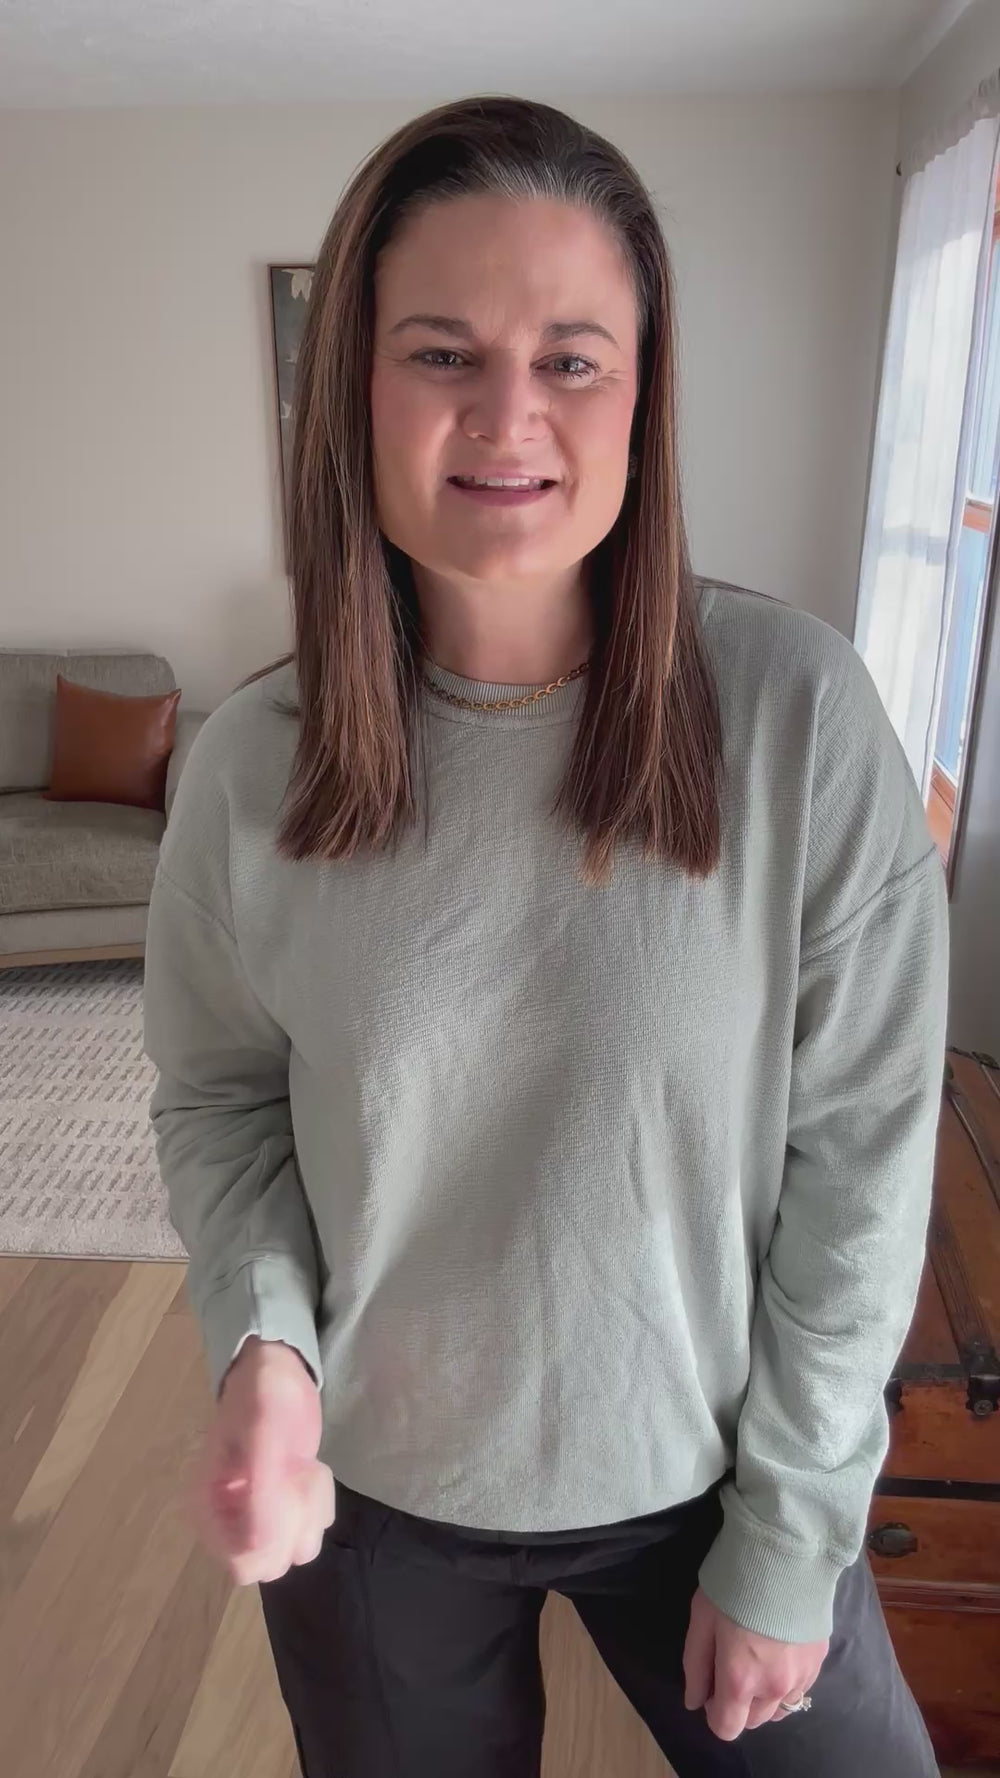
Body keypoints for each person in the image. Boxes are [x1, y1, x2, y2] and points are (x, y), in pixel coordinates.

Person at [142, 94, 950, 1778]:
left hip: (718, 1476)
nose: (507, 414)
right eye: (441, 352)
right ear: (352, 390)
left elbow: (865, 1156)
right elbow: (222, 1099)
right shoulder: (248, 766)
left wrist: (794, 1530)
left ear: (643, 398)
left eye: (572, 359)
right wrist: (267, 1342)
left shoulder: (799, 718)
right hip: (370, 1500)